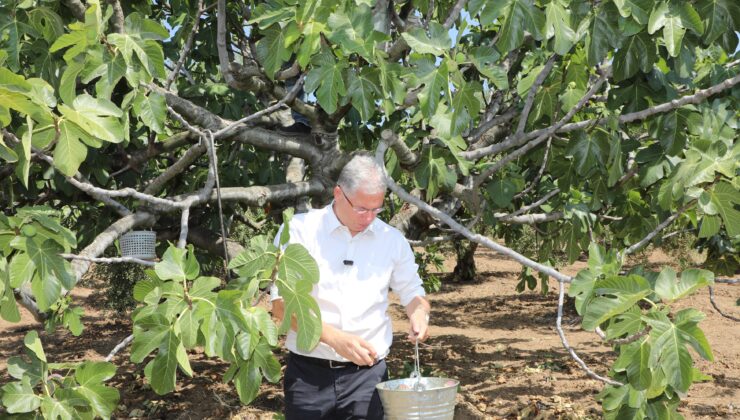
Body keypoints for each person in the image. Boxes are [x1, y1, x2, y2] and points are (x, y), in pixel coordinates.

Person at [271, 154, 431, 420]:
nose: (369, 218)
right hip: (309, 376)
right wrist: (335, 340)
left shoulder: (392, 241)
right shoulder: (299, 231)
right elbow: (280, 306)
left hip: (368, 379)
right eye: (361, 209)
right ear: (338, 193)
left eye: (376, 209)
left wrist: (419, 315)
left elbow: (414, 294)